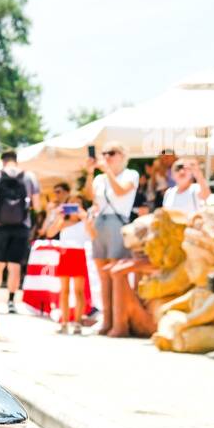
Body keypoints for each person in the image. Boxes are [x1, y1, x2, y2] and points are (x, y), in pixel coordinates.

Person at [84, 142, 139, 335]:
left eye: (112, 153)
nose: (107, 156)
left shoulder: (131, 174)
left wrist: (107, 171)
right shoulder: (100, 179)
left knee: (117, 274)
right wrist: (90, 173)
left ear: (123, 155)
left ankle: (119, 323)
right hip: (100, 223)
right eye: (104, 153)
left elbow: (121, 191)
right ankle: (107, 321)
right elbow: (90, 197)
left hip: (118, 222)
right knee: (103, 276)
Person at [0, 151, 42, 317]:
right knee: (15, 265)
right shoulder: (29, 177)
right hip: (22, 225)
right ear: (16, 160)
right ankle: (12, 302)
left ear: (3, 161)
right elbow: (37, 205)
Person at [39, 182, 92, 334]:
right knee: (64, 291)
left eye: (78, 205)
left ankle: (77, 322)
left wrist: (84, 216)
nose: (74, 207)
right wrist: (59, 217)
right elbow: (49, 233)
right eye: (72, 204)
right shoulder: (64, 222)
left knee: (79, 291)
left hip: (79, 253)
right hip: (65, 253)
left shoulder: (84, 222)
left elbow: (92, 234)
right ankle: (65, 322)